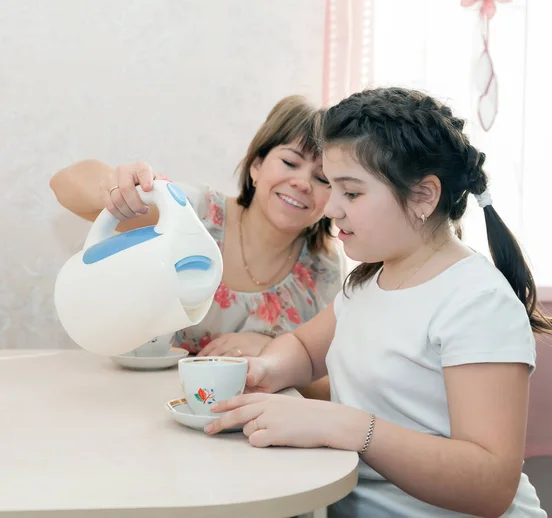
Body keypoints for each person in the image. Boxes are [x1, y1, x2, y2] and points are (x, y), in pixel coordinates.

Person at [203, 87, 552, 517]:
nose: (330, 209)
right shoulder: (369, 280)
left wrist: (347, 427)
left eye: (351, 193)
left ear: (424, 197)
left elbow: (490, 485)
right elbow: (302, 349)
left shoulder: (478, 303)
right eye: (331, 188)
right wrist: (266, 368)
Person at [50, 95, 344, 400]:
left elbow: (331, 386)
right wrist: (114, 187)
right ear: (256, 166)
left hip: (240, 426)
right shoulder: (196, 214)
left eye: (322, 178)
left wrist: (274, 355)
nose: (302, 183)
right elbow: (64, 184)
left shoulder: (323, 268)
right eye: (289, 162)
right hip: (133, 398)